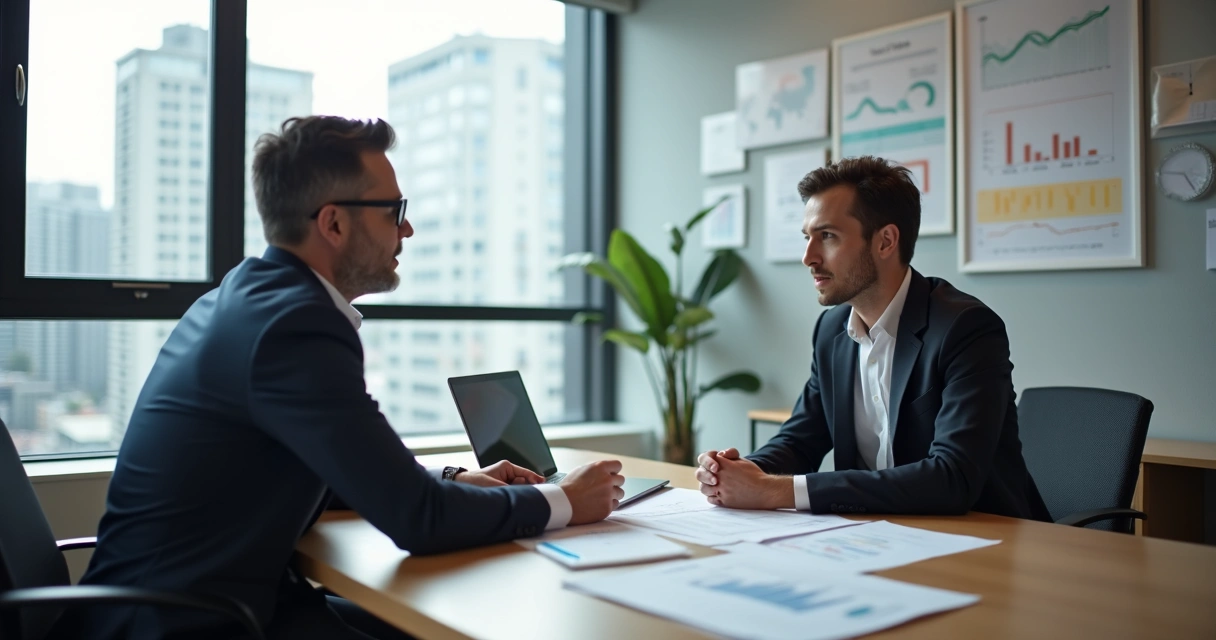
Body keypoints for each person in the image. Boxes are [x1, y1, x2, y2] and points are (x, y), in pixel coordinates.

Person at [50, 116, 625, 640]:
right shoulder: (295, 325)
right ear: (333, 223)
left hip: (189, 605)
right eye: (394, 211)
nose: (409, 230)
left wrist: (451, 478)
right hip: (186, 626)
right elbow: (417, 520)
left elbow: (320, 469)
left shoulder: (245, 295)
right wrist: (564, 501)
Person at [695, 156, 1050, 521]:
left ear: (885, 241)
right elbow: (801, 439)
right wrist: (739, 470)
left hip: (984, 539)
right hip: (877, 534)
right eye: (807, 238)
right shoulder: (831, 331)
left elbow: (952, 477)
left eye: (827, 236)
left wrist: (774, 491)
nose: (808, 257)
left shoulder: (965, 328)